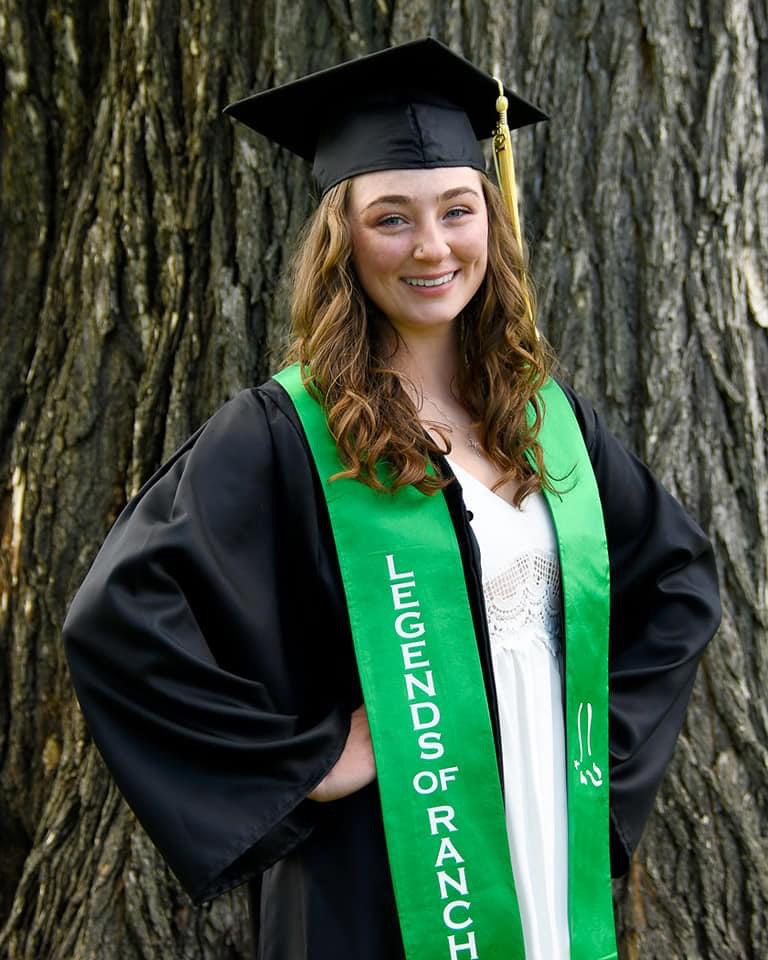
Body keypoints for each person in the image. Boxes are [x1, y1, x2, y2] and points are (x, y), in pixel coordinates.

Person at [63, 38, 720, 960]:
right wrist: (309, 760)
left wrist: (591, 755)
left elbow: (678, 581)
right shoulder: (283, 432)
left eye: (458, 210)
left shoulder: (546, 417)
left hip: (546, 835)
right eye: (391, 218)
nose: (432, 246)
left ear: (492, 221)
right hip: (384, 864)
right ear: (343, 238)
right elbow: (117, 621)